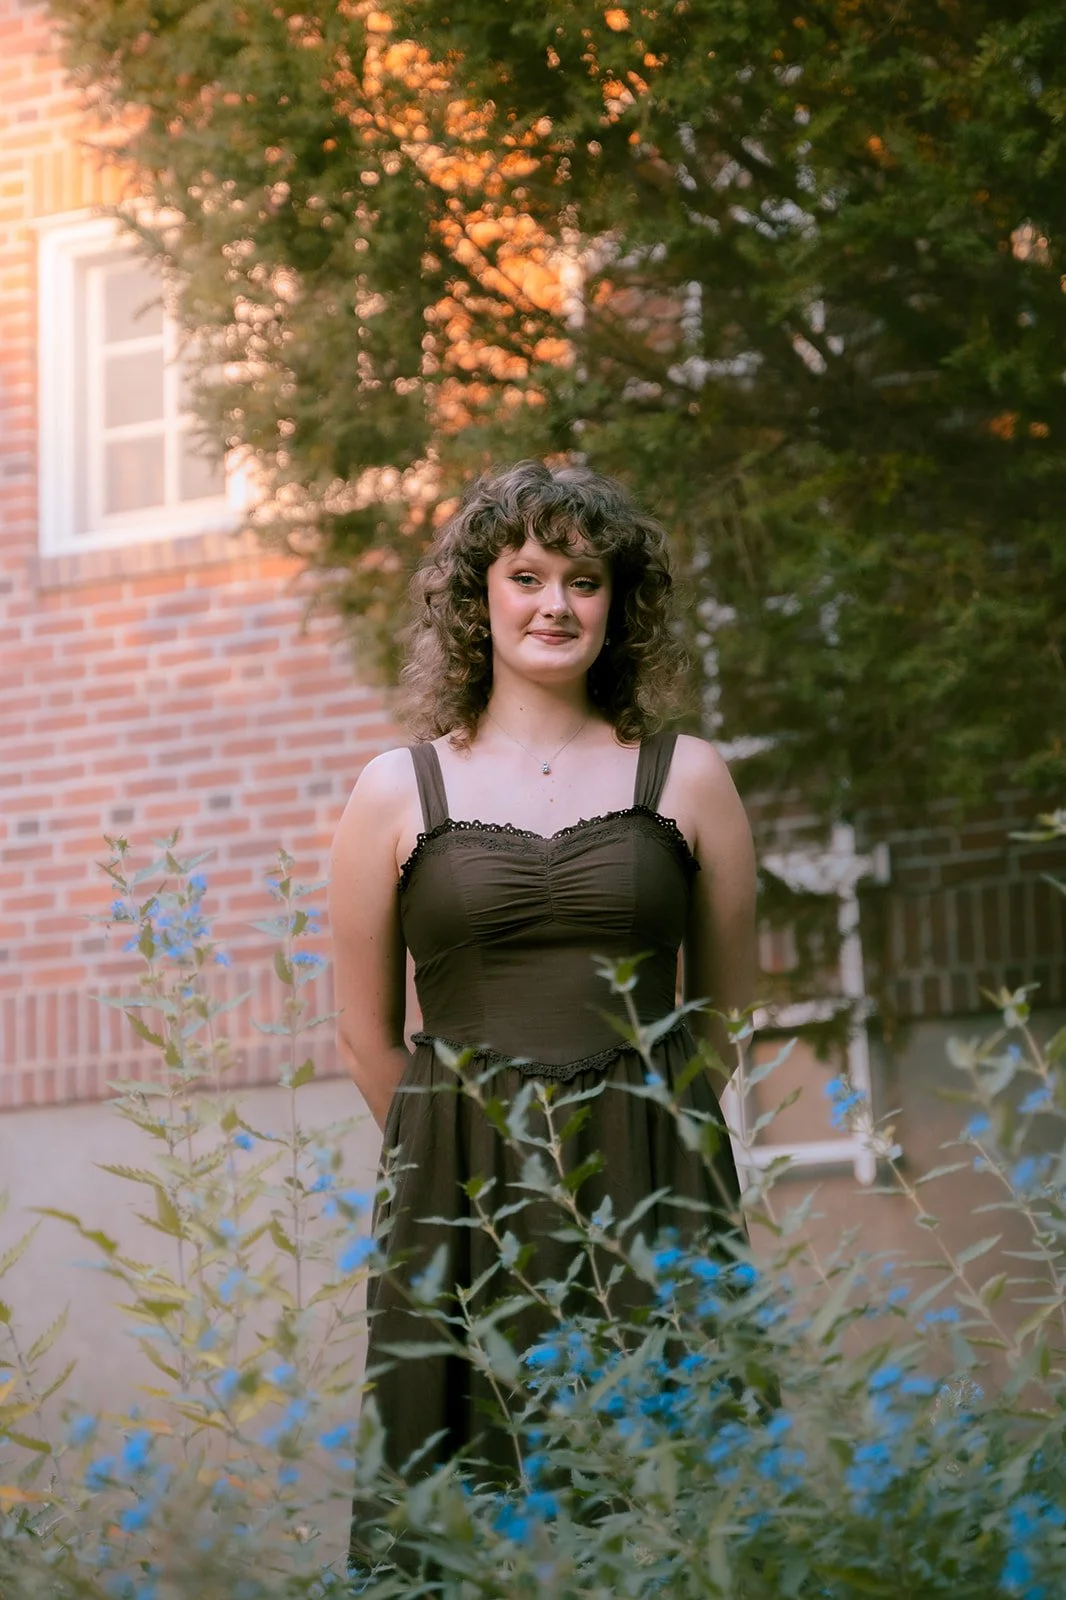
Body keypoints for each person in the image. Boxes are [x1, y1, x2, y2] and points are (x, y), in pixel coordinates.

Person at [329, 458, 756, 1502]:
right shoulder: (396, 790)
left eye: (583, 579)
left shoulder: (688, 774)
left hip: (654, 1177)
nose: (555, 605)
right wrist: (472, 1148)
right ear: (480, 595)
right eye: (526, 575)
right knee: (476, 1491)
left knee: (671, 1486)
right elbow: (363, 1036)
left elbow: (724, 1011)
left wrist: (634, 1122)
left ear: (619, 603)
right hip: (460, 1195)